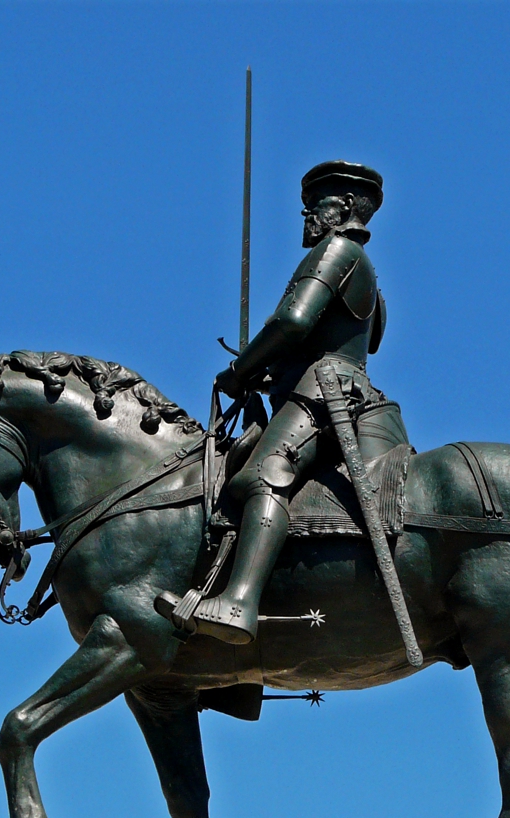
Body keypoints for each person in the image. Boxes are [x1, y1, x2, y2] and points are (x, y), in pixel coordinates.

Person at [156, 160, 407, 644]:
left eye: (320, 204)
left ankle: (238, 601)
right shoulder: (369, 274)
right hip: (350, 393)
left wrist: (241, 369)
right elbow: (348, 340)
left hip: (324, 392)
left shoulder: (339, 250)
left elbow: (293, 322)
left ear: (350, 208)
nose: (308, 213)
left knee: (262, 474)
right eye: (307, 206)